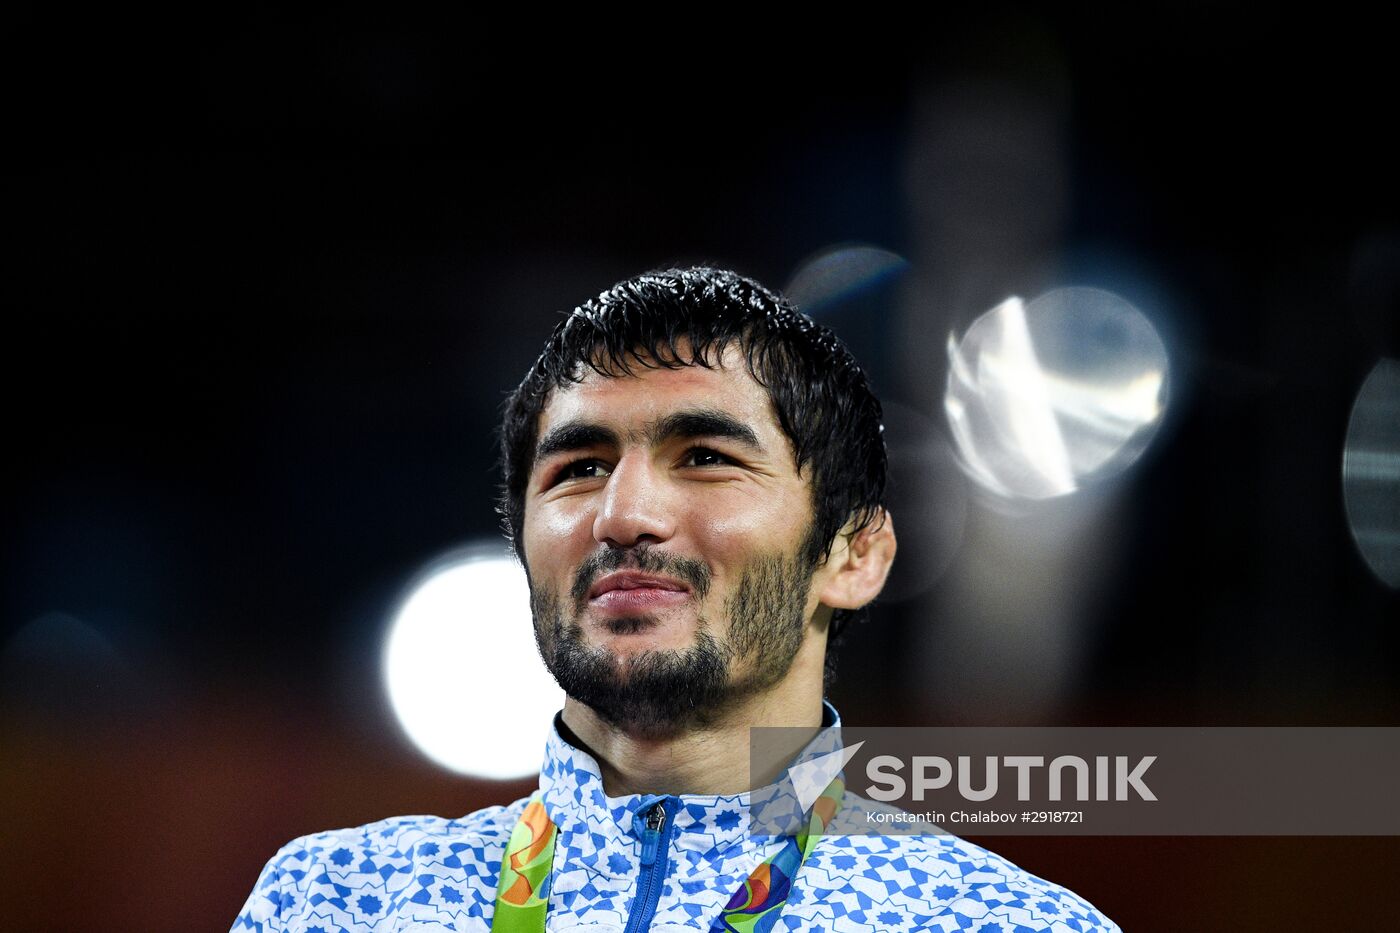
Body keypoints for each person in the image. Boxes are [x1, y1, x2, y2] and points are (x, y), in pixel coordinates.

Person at [233, 267, 1118, 932]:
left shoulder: (1002, 922)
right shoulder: (336, 900)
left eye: (705, 456)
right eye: (578, 469)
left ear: (854, 553)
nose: (624, 514)